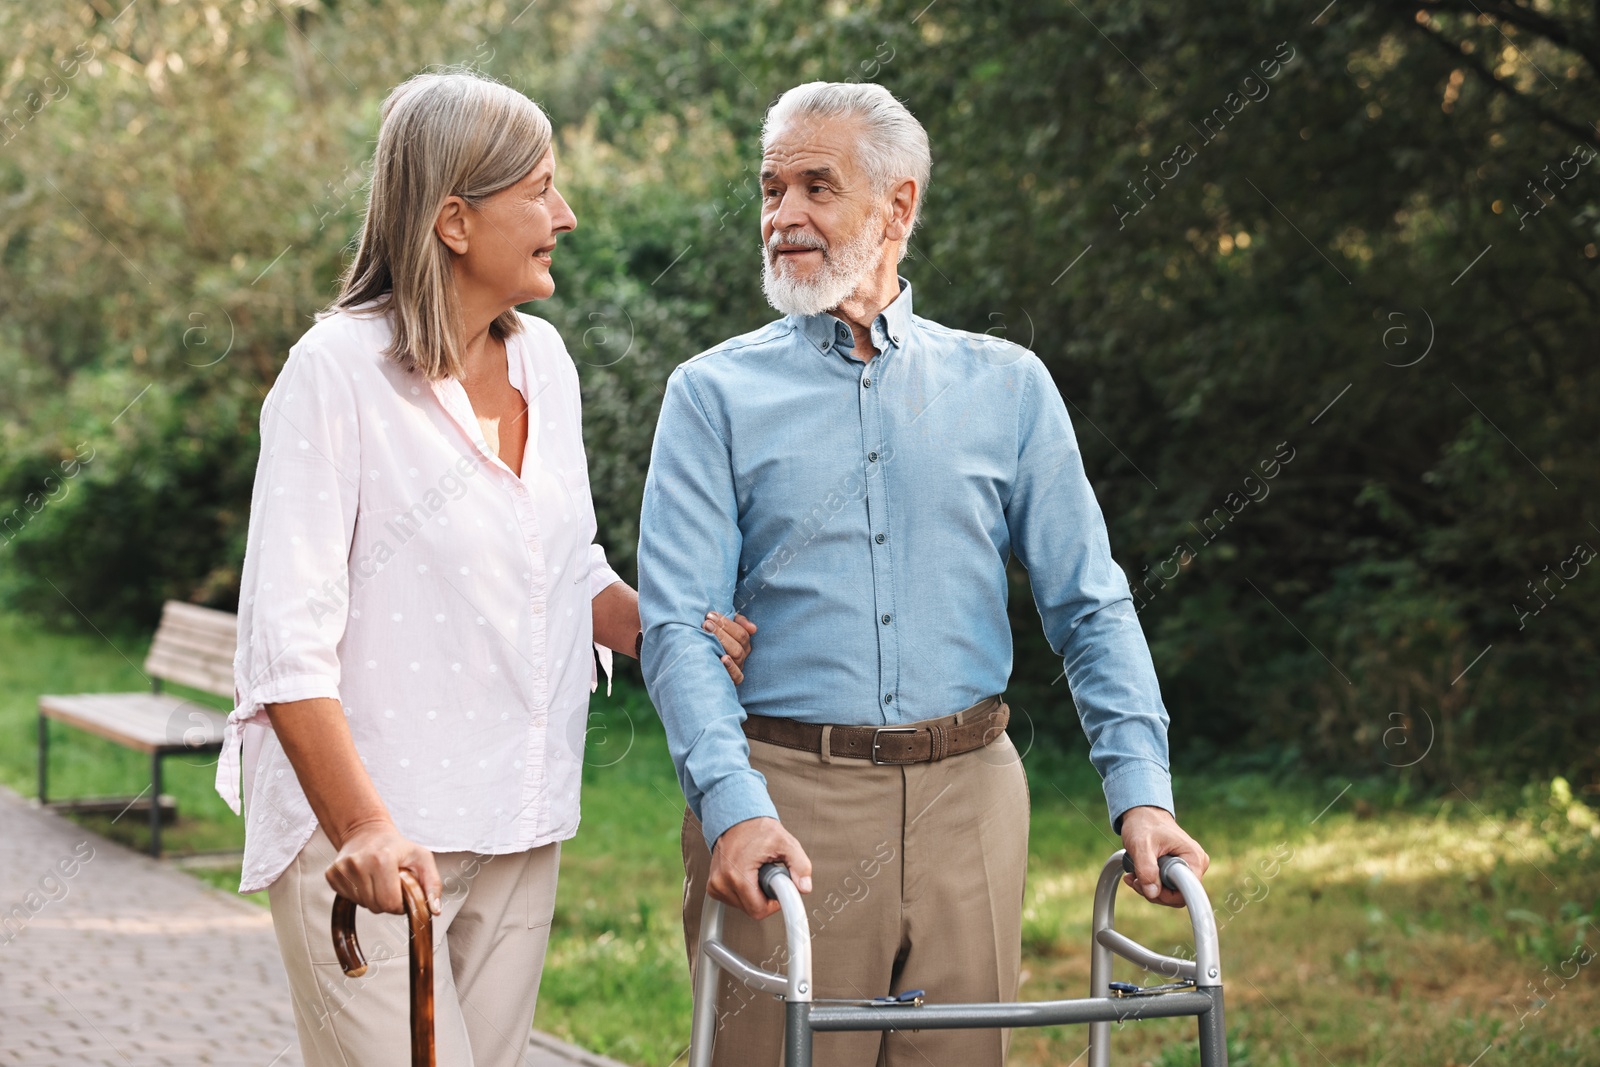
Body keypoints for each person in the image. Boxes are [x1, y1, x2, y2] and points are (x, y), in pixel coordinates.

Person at [637, 81, 1210, 1067]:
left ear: (898, 205)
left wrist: (1141, 793)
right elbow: (678, 630)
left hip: (971, 801)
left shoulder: (1007, 385)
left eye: (817, 187)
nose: (783, 216)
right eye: (770, 189)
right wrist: (733, 808)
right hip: (786, 800)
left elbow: (1091, 604)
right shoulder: (712, 393)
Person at [218, 70, 755, 1067]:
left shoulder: (546, 362)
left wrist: (660, 627)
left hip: (519, 817)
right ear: (455, 221)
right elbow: (283, 646)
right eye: (540, 189)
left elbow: (565, 563)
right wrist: (365, 828)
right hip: (378, 841)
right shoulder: (335, 374)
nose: (567, 213)